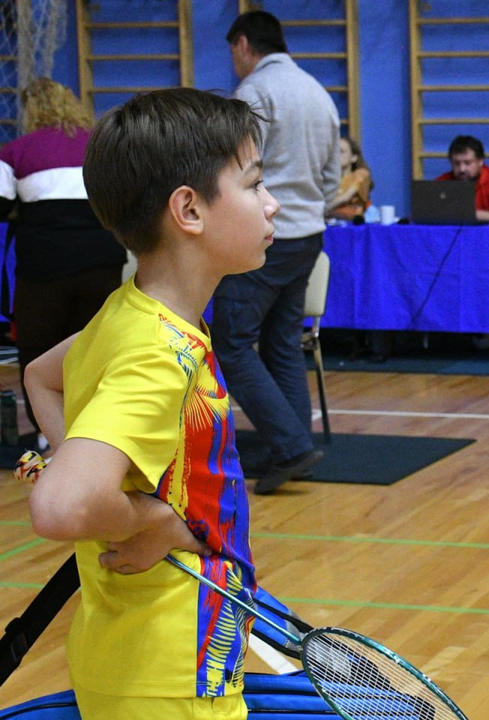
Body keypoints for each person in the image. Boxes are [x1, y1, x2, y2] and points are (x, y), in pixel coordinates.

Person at [24, 87, 278, 719]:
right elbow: (61, 505)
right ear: (189, 210)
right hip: (171, 675)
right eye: (253, 185)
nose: (271, 205)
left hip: (138, 653)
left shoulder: (130, 314)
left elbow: (40, 377)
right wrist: (150, 521)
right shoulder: (157, 353)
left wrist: (107, 482)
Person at [216, 10, 340, 494]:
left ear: (244, 44)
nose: (233, 62)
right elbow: (332, 178)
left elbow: (238, 171)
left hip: (267, 234)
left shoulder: (255, 94)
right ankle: (296, 446)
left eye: (232, 52)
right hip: (309, 232)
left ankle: (288, 445)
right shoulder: (318, 93)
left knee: (230, 342)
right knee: (283, 344)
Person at [0, 78, 126, 449]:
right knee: (94, 349)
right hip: (103, 261)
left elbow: (1, 206)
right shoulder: (101, 146)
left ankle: (48, 436)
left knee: (39, 352)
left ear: (32, 111)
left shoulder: (16, 151)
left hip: (45, 268)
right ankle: (98, 435)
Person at [435, 135, 489, 223]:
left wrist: (472, 214)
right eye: (456, 163)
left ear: (480, 161)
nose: (462, 169)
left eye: (468, 163)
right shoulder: (442, 181)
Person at [327, 136, 373, 221]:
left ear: (353, 157)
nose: (336, 156)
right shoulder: (326, 178)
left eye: (341, 151)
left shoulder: (361, 174)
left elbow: (345, 197)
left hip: (351, 226)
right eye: (334, 152)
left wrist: (321, 209)